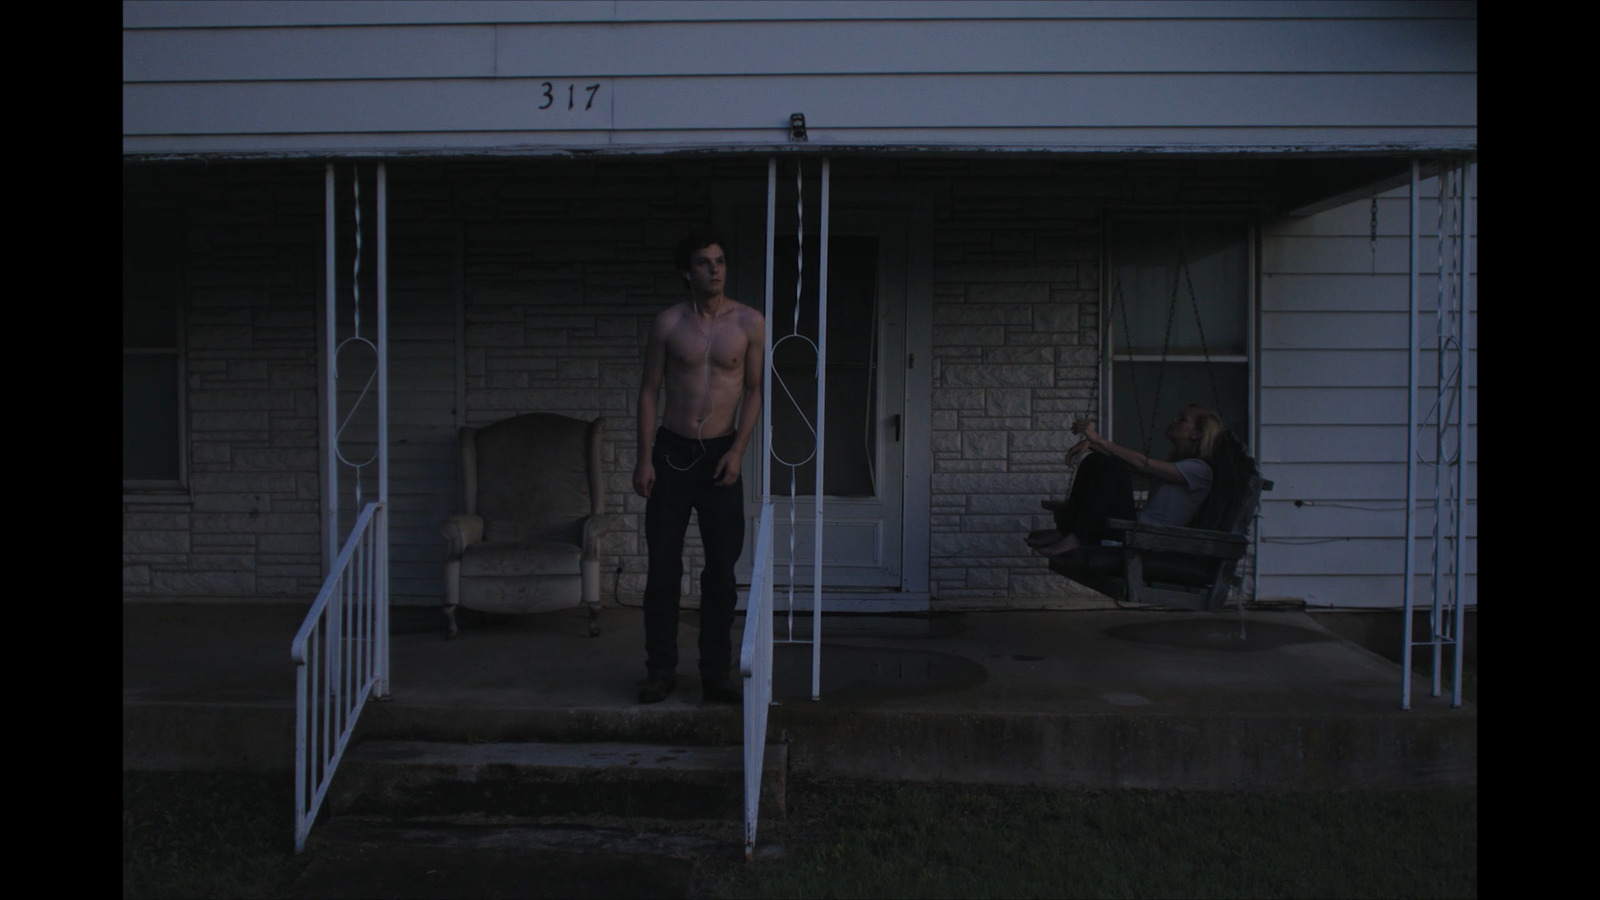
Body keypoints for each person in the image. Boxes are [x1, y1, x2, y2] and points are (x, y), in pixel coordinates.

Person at [633, 233, 765, 704]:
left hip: (720, 457)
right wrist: (643, 457)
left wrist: (738, 452)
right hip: (670, 453)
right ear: (686, 272)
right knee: (663, 570)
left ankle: (715, 673)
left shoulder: (749, 322)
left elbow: (753, 391)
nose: (716, 270)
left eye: (721, 261)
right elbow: (649, 390)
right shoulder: (669, 323)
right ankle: (660, 670)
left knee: (721, 574)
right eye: (705, 263)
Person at [1027, 405, 1225, 557]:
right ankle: (1066, 532)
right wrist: (1092, 446)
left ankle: (1076, 538)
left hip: (1145, 538)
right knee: (1098, 461)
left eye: (1182, 419)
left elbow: (1142, 464)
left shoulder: (1200, 470)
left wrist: (1099, 440)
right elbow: (1136, 466)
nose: (1174, 420)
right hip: (1135, 530)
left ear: (1196, 434)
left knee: (1113, 466)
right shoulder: (1182, 465)